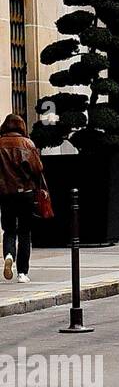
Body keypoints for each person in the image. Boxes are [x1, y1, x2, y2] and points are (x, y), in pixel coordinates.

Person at [0, 114, 45, 283]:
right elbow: (38, 168)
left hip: (5, 194)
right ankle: (22, 273)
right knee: (25, 232)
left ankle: (9, 255)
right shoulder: (27, 144)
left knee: (9, 230)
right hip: (26, 193)